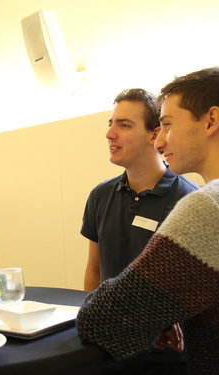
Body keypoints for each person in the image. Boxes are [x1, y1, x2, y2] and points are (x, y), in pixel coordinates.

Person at [76, 67, 219, 374]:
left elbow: (101, 321)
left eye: (168, 125)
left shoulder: (210, 206)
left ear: (211, 120)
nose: (160, 142)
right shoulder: (100, 194)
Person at [82, 88, 198, 292]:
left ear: (154, 135)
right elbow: (94, 271)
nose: (109, 134)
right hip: (106, 321)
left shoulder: (189, 200)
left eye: (124, 125)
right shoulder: (99, 196)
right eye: (111, 124)